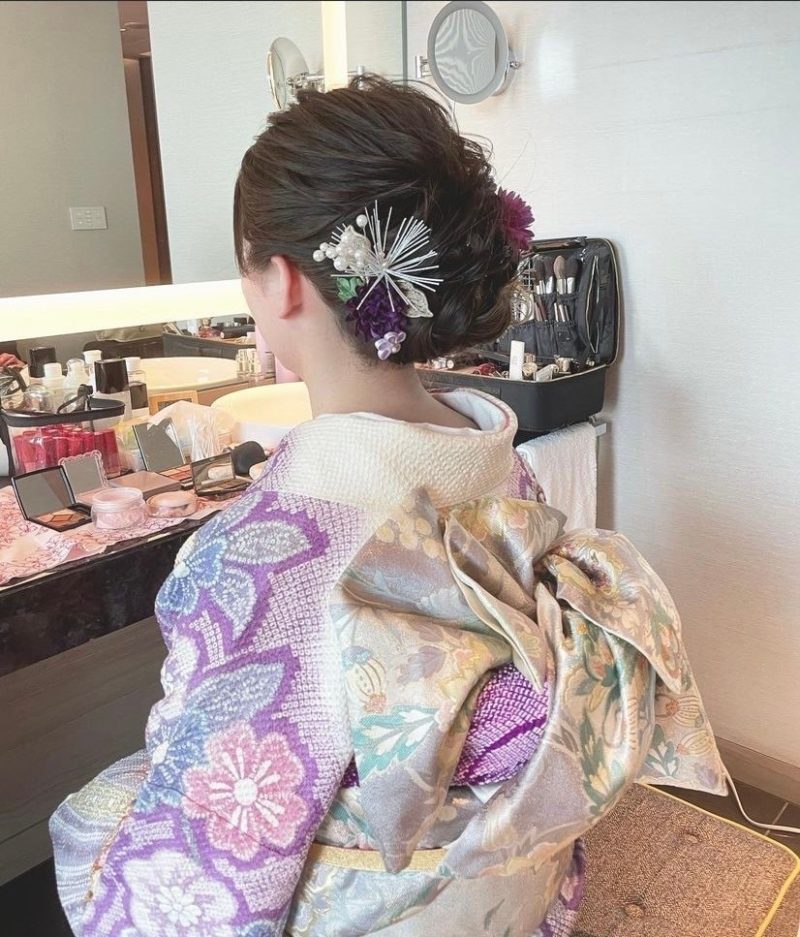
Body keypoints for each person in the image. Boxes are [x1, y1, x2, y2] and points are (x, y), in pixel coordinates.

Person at [50, 78, 725, 936]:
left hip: (368, 912)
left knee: (90, 819)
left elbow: (213, 868)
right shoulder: (499, 464)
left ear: (281, 283)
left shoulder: (258, 557)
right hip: (505, 898)